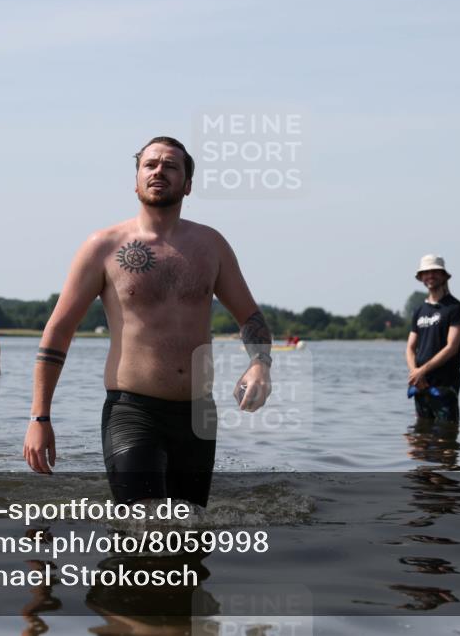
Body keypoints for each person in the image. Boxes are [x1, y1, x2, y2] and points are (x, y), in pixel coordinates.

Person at [23, 136, 273, 507]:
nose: (159, 171)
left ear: (188, 184)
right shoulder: (103, 246)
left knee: (191, 532)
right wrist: (39, 417)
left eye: (171, 166)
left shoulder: (211, 245)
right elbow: (59, 329)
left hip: (198, 415)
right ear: (136, 179)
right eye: (151, 164)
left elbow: (250, 316)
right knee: (147, 524)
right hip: (133, 411)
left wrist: (260, 364)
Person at [405, 255, 460, 422]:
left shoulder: (455, 308)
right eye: (426, 272)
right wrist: (415, 374)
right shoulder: (419, 310)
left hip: (445, 383)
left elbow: (452, 347)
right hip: (421, 384)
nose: (430, 275)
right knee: (421, 436)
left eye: (435, 272)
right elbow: (410, 347)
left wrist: (422, 371)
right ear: (421, 278)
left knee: (446, 437)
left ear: (444, 276)